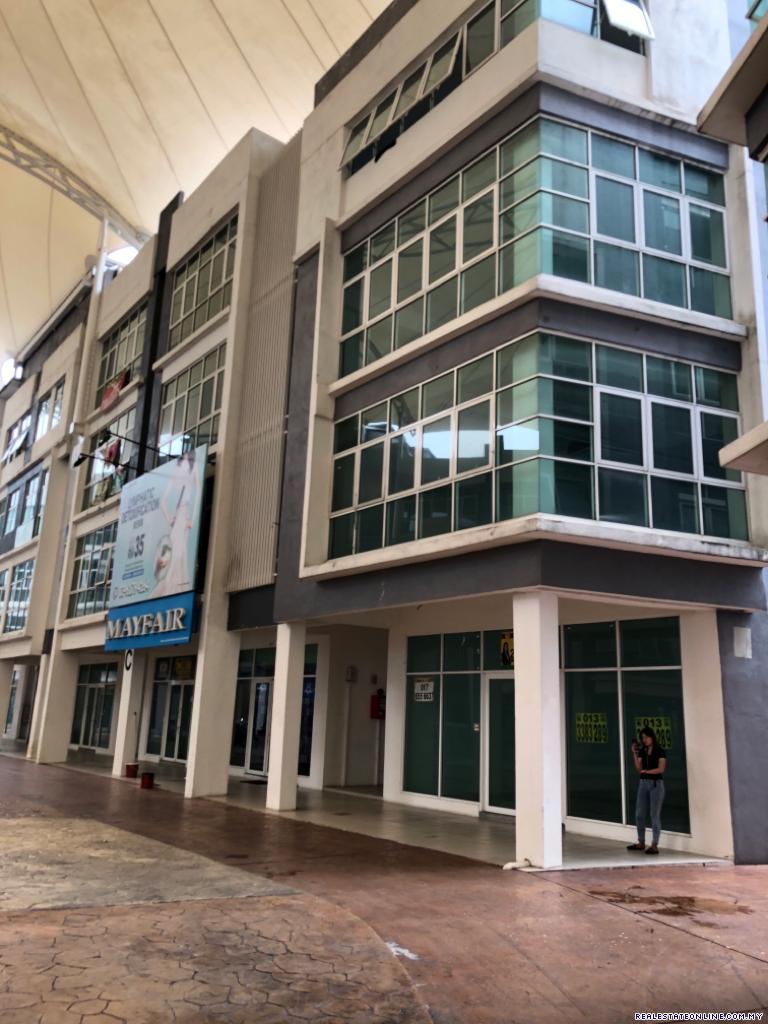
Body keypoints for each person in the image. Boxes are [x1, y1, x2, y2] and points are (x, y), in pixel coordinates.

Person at [627, 726, 666, 855]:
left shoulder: (659, 751)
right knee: (639, 814)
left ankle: (654, 844)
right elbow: (639, 768)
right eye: (642, 738)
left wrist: (648, 772)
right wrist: (634, 753)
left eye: (646, 737)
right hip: (643, 783)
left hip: (656, 784)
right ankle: (641, 842)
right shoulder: (642, 751)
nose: (644, 740)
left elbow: (661, 769)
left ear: (652, 737)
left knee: (654, 815)